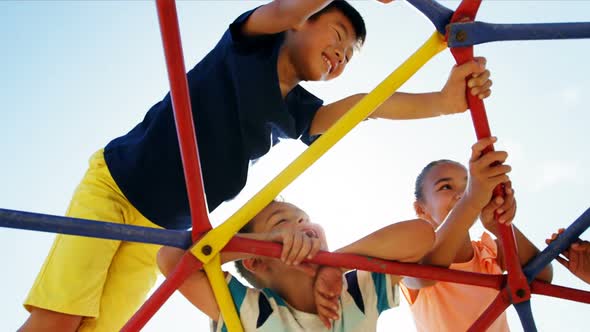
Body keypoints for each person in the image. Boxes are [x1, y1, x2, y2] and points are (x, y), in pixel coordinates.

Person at [20, 0, 493, 330]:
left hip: (162, 229)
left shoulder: (298, 112)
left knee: (95, 329)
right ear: (303, 21)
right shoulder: (248, 44)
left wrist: (444, 102)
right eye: (339, 36)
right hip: (119, 186)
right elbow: (287, 9)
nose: (340, 56)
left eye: (349, 56)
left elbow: (365, 105)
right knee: (59, 319)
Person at [314, 137, 553, 331]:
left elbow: (541, 275)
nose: (461, 194)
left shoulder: (487, 252)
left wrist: (500, 225)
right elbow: (426, 273)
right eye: (446, 187)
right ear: (421, 209)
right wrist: (471, 199)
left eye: (467, 185)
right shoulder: (413, 255)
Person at [157, 199, 436, 331]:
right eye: (281, 222)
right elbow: (170, 260)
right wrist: (256, 242)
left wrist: (338, 263)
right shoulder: (246, 309)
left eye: (305, 218)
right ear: (255, 261)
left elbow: (422, 236)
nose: (303, 224)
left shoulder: (355, 291)